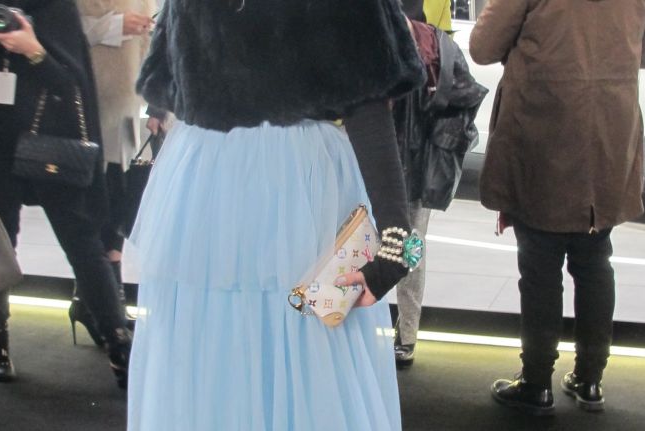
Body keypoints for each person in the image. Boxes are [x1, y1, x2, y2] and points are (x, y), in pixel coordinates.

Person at [127, 0, 426, 429]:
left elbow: (168, 75)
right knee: (302, 345)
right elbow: (367, 99)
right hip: (287, 178)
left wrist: (397, 241)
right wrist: (397, 242)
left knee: (218, 342)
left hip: (210, 176)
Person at [469, 0, 645, 415]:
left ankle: (536, 383)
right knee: (595, 260)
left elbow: (482, 47)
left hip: (544, 126)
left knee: (539, 266)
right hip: (608, 132)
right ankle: (590, 380)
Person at [0, 0, 132, 387]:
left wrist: (33, 50)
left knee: (81, 239)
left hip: (52, 144)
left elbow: (70, 84)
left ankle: (117, 340)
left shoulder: (55, 7)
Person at [392, 16, 486, 368]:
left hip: (378, 162)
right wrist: (441, 136)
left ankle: (342, 322)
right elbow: (468, 94)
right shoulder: (440, 45)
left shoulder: (382, 36)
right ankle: (407, 335)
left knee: (356, 244)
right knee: (411, 250)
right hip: (419, 165)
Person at [69, 0, 161, 344]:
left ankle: (106, 299)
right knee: (97, 204)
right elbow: (66, 30)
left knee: (119, 201)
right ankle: (100, 302)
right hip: (91, 103)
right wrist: (115, 25)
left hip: (128, 105)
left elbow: (152, 45)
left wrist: (157, 104)